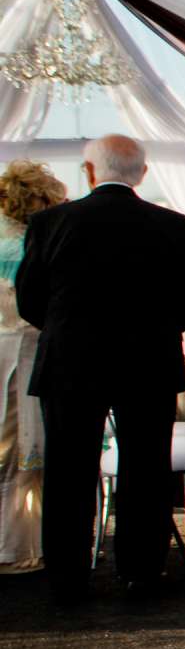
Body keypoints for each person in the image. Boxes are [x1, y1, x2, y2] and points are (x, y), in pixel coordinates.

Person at [15, 136, 185, 604]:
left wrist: (66, 331)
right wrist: (157, 331)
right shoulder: (173, 225)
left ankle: (67, 579)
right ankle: (140, 572)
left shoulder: (50, 222)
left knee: (69, 472)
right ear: (142, 174)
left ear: (88, 172)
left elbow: (28, 300)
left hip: (69, 362)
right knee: (145, 467)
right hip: (149, 362)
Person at [0, 161, 69, 574]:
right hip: (23, 352)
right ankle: (17, 548)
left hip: (9, 348)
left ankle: (18, 542)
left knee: (11, 452)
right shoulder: (28, 247)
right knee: (26, 452)